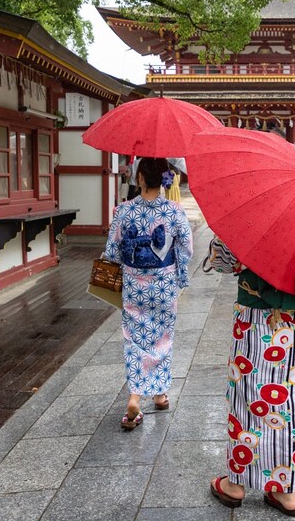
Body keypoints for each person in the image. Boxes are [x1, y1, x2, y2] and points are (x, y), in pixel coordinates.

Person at [206, 238, 295, 517]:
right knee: (293, 404)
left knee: (247, 399)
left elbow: (222, 261)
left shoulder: (253, 219)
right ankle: (286, 491)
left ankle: (235, 486)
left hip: (255, 321)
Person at [102, 157, 193, 429]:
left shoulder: (123, 211)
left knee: (135, 338)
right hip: (164, 286)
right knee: (162, 338)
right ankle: (161, 394)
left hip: (134, 284)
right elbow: (186, 251)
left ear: (139, 177)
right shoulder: (174, 211)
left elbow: (112, 252)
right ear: (166, 178)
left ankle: (135, 396)